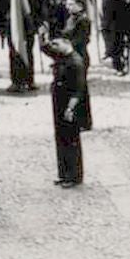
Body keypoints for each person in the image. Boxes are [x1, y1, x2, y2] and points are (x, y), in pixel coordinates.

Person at [44, 38, 87, 188]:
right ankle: (64, 173)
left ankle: (74, 176)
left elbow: (79, 88)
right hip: (59, 102)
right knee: (61, 139)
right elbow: (45, 49)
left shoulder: (76, 61)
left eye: (57, 44)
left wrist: (70, 108)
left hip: (69, 104)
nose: (53, 47)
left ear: (67, 43)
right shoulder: (61, 56)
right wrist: (45, 39)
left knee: (71, 141)